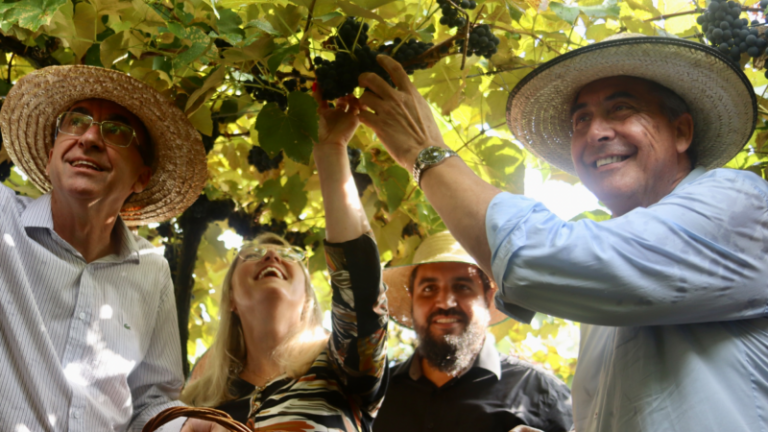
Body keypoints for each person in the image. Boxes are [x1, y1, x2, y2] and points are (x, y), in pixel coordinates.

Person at [354, 34, 768, 431]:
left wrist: (423, 152)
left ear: (682, 132)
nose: (595, 132)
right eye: (581, 119)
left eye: (621, 108)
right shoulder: (603, 294)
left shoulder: (738, 203)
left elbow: (540, 255)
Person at [0, 65, 229, 431]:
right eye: (75, 122)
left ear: (142, 177)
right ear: (49, 156)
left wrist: (183, 427)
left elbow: (151, 400)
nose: (89, 138)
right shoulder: (2, 218)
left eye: (118, 131)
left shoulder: (152, 270)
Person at [179, 91, 388, 431]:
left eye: (290, 255)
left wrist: (331, 152)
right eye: (253, 254)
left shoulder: (342, 365)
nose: (272, 254)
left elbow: (362, 291)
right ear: (231, 297)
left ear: (307, 295)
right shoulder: (202, 400)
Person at [375, 231, 573, 432]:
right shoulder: (376, 395)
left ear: (488, 298)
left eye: (462, 287)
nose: (445, 302)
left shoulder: (541, 393)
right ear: (412, 301)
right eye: (428, 289)